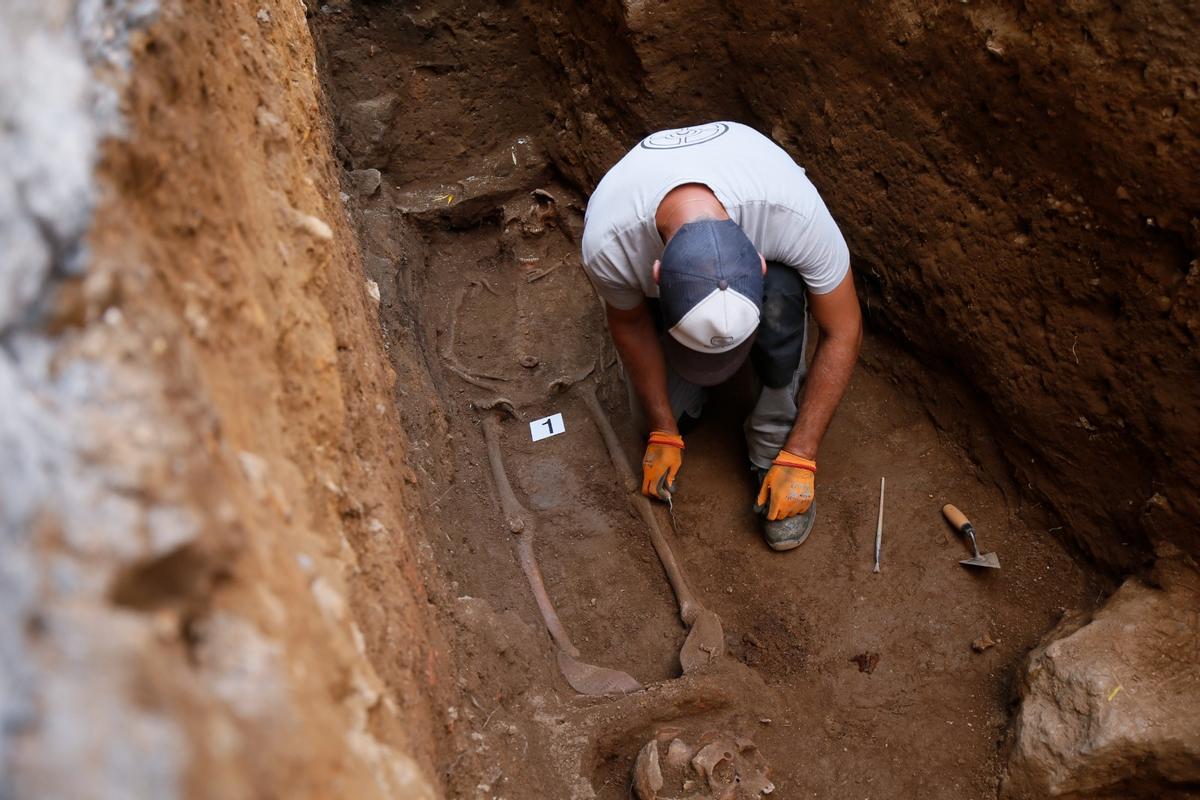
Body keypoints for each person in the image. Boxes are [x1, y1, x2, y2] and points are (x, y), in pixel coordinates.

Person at [581, 121, 862, 550]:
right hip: (652, 263)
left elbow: (843, 328)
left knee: (783, 299)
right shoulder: (609, 243)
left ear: (759, 264)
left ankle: (773, 438)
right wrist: (662, 427)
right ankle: (683, 382)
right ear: (656, 275)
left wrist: (802, 453)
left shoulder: (793, 215)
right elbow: (629, 322)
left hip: (773, 274)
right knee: (659, 418)